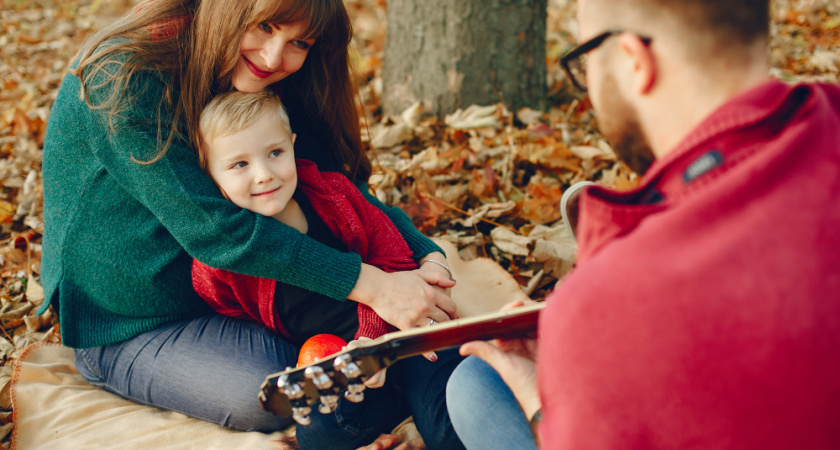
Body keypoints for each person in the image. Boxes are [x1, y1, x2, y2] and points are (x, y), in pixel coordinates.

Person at [40, 0, 461, 445]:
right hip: (132, 321)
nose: (274, 56)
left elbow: (337, 187)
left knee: (345, 346)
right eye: (265, 26)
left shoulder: (264, 74)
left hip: (249, 293)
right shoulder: (122, 77)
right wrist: (376, 287)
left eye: (299, 41)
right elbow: (216, 231)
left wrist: (424, 256)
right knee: (272, 394)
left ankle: (430, 392)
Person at [446, 0, 840, 448]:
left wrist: (541, 402)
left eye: (585, 58)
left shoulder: (608, 306)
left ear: (635, 61)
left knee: (476, 385)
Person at [192, 90, 465, 448]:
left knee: (444, 426)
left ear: (292, 145)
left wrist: (372, 339)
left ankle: (435, 401)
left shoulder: (332, 196)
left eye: (275, 153)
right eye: (239, 164)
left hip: (401, 338)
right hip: (343, 367)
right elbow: (232, 312)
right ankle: (394, 408)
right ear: (210, 174)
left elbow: (394, 256)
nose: (263, 175)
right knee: (317, 434)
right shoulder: (221, 260)